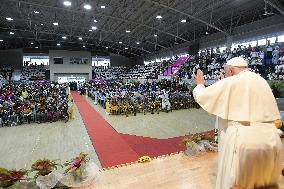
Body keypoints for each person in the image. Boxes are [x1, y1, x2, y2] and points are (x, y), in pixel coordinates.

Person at [193, 57, 282, 189]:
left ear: (230, 70)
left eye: (227, 72)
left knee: (238, 184)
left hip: (243, 140)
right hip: (271, 139)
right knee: (266, 184)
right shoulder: (261, 80)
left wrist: (200, 84)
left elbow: (203, 96)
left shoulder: (232, 81)